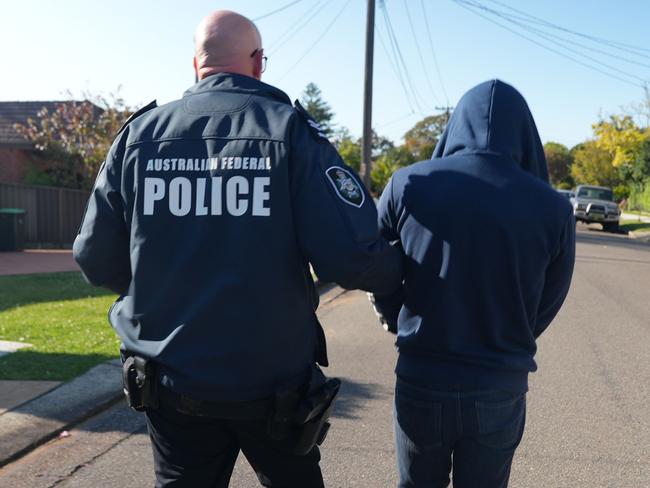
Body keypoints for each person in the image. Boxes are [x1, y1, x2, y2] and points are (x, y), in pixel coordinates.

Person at [73, 10, 402, 488]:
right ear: (258, 62)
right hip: (273, 385)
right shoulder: (292, 133)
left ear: (195, 64)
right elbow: (350, 255)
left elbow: (94, 258)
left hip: (172, 380)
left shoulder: (138, 138)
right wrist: (405, 272)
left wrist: (157, 284)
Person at [372, 80, 576, 488]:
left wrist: (396, 316)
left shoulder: (407, 184)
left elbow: (374, 263)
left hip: (423, 375)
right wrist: (513, 331)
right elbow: (552, 294)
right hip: (499, 384)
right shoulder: (553, 207)